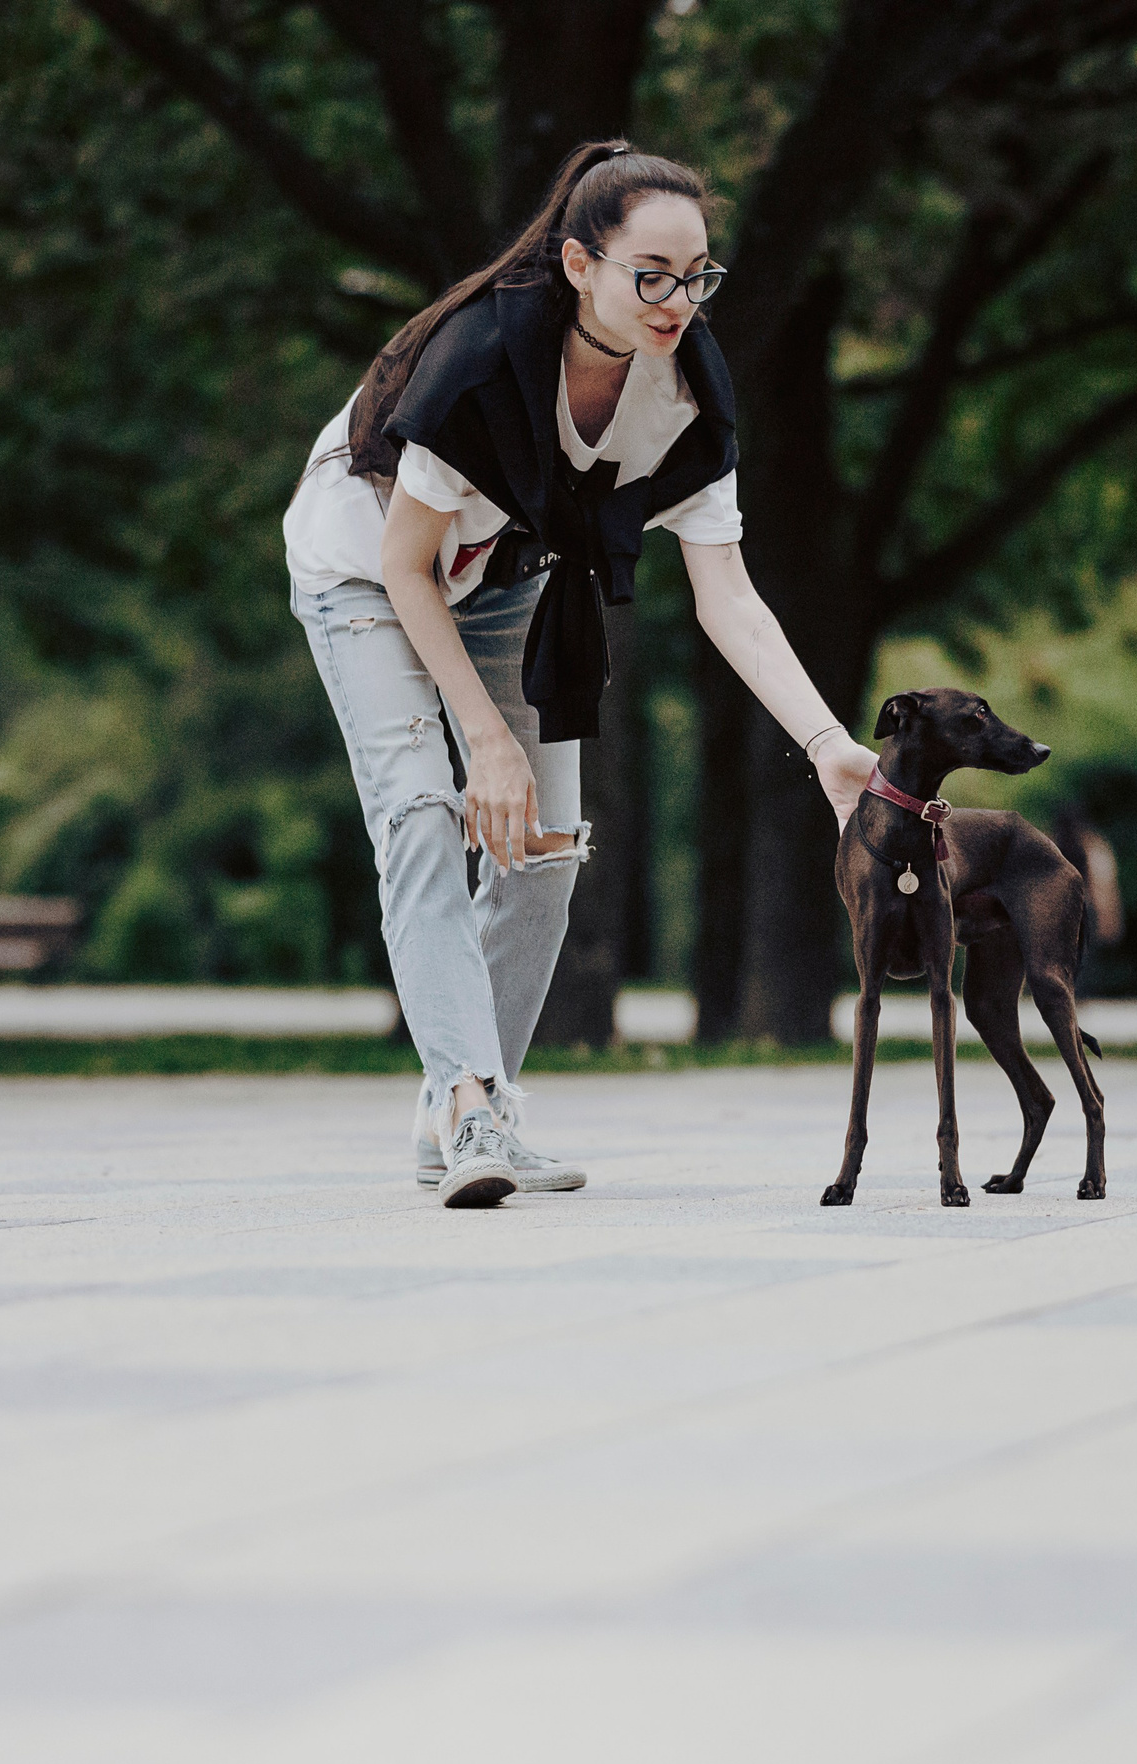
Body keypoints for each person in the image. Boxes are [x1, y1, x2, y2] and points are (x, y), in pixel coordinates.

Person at [283, 141, 877, 1207]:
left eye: (696, 276)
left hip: (510, 579)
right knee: (423, 812)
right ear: (578, 264)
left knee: (546, 847)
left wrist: (829, 745)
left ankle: (465, 1106)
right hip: (370, 571)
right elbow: (407, 568)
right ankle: (469, 1106)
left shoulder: (687, 393)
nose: (677, 301)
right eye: (650, 275)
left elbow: (728, 596)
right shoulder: (478, 362)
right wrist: (486, 740)